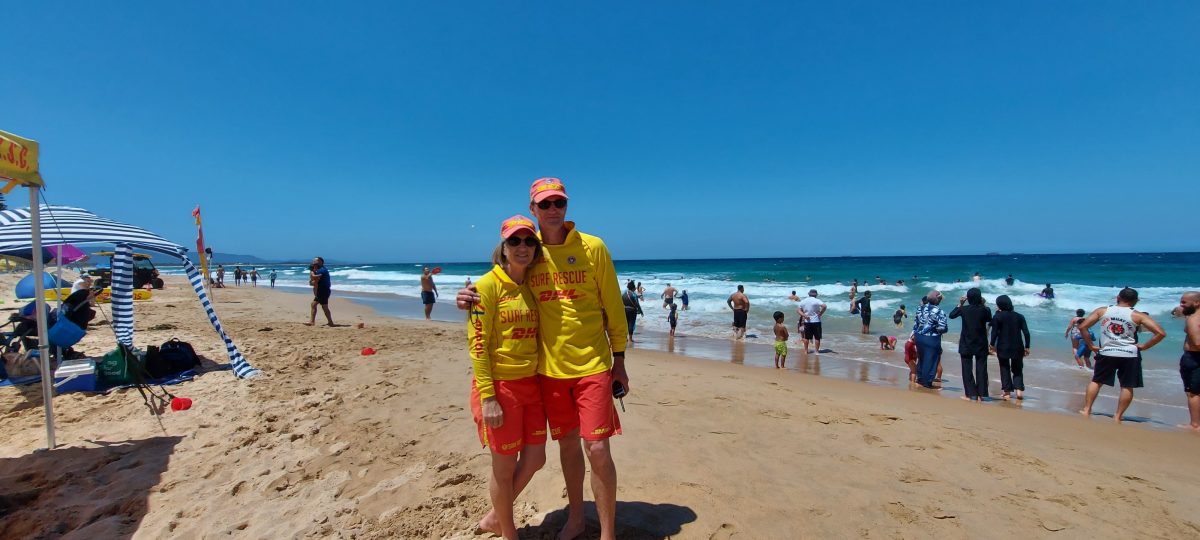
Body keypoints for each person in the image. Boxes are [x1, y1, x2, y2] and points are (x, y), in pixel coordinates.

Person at [456, 177, 627, 540]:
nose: (553, 210)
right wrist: (467, 297)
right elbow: (500, 285)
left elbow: (614, 305)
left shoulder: (592, 247)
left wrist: (620, 359)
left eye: (558, 203)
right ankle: (577, 518)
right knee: (566, 446)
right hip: (547, 372)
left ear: (566, 206)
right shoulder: (530, 255)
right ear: (533, 209)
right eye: (545, 204)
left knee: (597, 448)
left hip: (593, 365)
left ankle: (608, 534)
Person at [467, 215, 548, 539]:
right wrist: (488, 398)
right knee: (503, 469)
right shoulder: (485, 287)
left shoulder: (532, 285)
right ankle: (508, 532)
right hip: (499, 389)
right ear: (503, 248)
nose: (523, 247)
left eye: (529, 241)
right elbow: (477, 346)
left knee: (537, 458)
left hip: (531, 384)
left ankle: (493, 518)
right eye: (515, 241)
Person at [1078, 287, 1167, 423]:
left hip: (1107, 351)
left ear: (1117, 297)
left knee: (1097, 381)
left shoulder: (1103, 310)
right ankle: (1118, 416)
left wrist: (1091, 346)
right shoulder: (1138, 315)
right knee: (1127, 386)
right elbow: (1160, 333)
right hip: (1130, 354)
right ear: (1136, 301)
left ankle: (1087, 409)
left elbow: (1083, 327)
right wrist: (1144, 346)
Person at [949, 288, 992, 401]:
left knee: (966, 368)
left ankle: (971, 394)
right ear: (979, 297)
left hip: (966, 342)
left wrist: (960, 304)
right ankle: (983, 394)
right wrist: (983, 304)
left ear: (968, 298)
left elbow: (952, 315)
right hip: (981, 342)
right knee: (982, 368)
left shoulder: (964, 309)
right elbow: (989, 319)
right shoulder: (985, 310)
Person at [990, 295, 1030, 400]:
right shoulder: (1020, 316)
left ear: (999, 305)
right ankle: (1019, 391)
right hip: (1018, 347)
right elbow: (1026, 333)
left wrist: (992, 345)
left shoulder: (998, 316)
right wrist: (1027, 346)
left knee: (1004, 368)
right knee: (1017, 368)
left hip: (1003, 346)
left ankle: (1007, 392)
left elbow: (994, 333)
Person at [913, 290, 949, 388]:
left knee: (922, 358)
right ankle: (927, 382)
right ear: (938, 300)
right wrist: (939, 329)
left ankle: (920, 379)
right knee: (931, 359)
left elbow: (915, 324)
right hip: (931, 338)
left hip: (919, 336)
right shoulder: (940, 311)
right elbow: (942, 328)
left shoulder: (920, 308)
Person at [1177, 291, 1200, 431]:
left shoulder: (1193, 319)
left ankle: (1195, 425)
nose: (1181, 305)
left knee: (1193, 393)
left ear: (1197, 303)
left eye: (1184, 302)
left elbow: (1197, 343)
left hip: (1194, 357)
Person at [306, 257, 334, 326]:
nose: (313, 262)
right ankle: (312, 322)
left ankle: (330, 322)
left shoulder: (321, 270)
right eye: (313, 261)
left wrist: (311, 283)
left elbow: (315, 282)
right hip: (322, 290)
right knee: (314, 304)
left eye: (315, 261)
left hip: (323, 291)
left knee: (324, 307)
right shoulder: (322, 269)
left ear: (320, 262)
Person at [797, 289, 827, 354]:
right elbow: (824, 306)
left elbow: (798, 310)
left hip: (807, 321)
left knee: (806, 337)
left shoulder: (804, 301)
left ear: (808, 294)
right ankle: (816, 351)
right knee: (817, 337)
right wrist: (821, 313)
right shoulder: (817, 300)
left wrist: (804, 315)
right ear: (816, 294)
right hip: (816, 321)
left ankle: (806, 351)